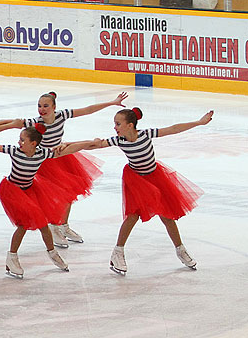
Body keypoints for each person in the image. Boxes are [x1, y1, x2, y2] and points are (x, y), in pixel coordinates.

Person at [0, 91, 126, 247]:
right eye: (39, 106)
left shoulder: (62, 115)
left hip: (62, 157)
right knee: (56, 195)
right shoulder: (35, 123)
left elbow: (87, 110)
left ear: (54, 107)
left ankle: (63, 225)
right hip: (43, 161)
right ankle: (54, 226)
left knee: (70, 192)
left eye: (46, 106)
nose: (42, 109)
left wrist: (112, 103)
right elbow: (10, 123)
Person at [88, 108, 212, 274]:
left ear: (130, 125)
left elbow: (174, 129)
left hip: (155, 177)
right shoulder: (119, 140)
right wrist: (68, 146)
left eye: (118, 124)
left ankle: (180, 250)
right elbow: (96, 145)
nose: (115, 127)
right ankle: (117, 252)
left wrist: (199, 122)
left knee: (167, 216)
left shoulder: (146, 134)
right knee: (132, 216)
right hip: (136, 180)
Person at [0, 127, 97, 278]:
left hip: (30, 190)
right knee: (23, 225)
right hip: (13, 191)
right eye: (19, 139)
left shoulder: (42, 154)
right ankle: (12, 257)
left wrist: (89, 143)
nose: (19, 142)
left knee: (44, 225)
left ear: (33, 143)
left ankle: (52, 253)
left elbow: (68, 150)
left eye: (22, 140)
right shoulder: (15, 151)